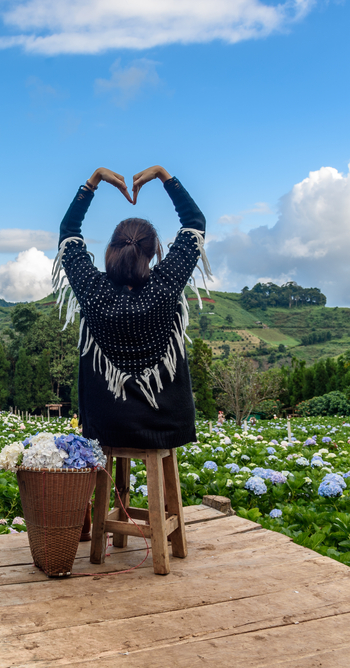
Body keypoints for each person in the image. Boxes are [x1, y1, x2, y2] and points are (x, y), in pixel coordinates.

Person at [54, 164, 210, 456]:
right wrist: (164, 176)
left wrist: (93, 181)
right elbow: (194, 223)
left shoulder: (92, 289)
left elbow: (68, 234)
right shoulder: (165, 286)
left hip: (105, 424)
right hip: (167, 425)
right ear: (152, 252)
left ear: (112, 249)